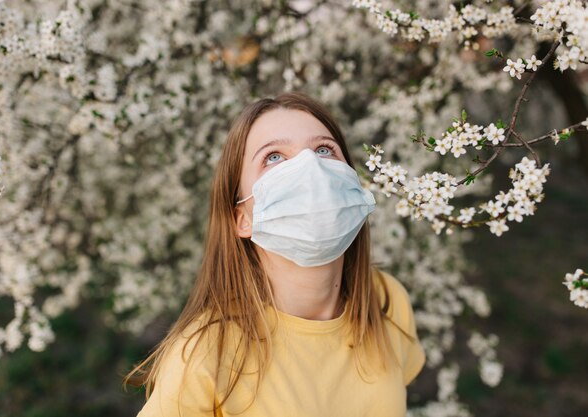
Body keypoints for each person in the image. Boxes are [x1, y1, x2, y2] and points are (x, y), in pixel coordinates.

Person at [124, 91, 426, 417]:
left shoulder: (385, 301)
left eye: (324, 149)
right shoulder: (206, 353)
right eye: (274, 157)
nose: (310, 167)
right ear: (242, 219)